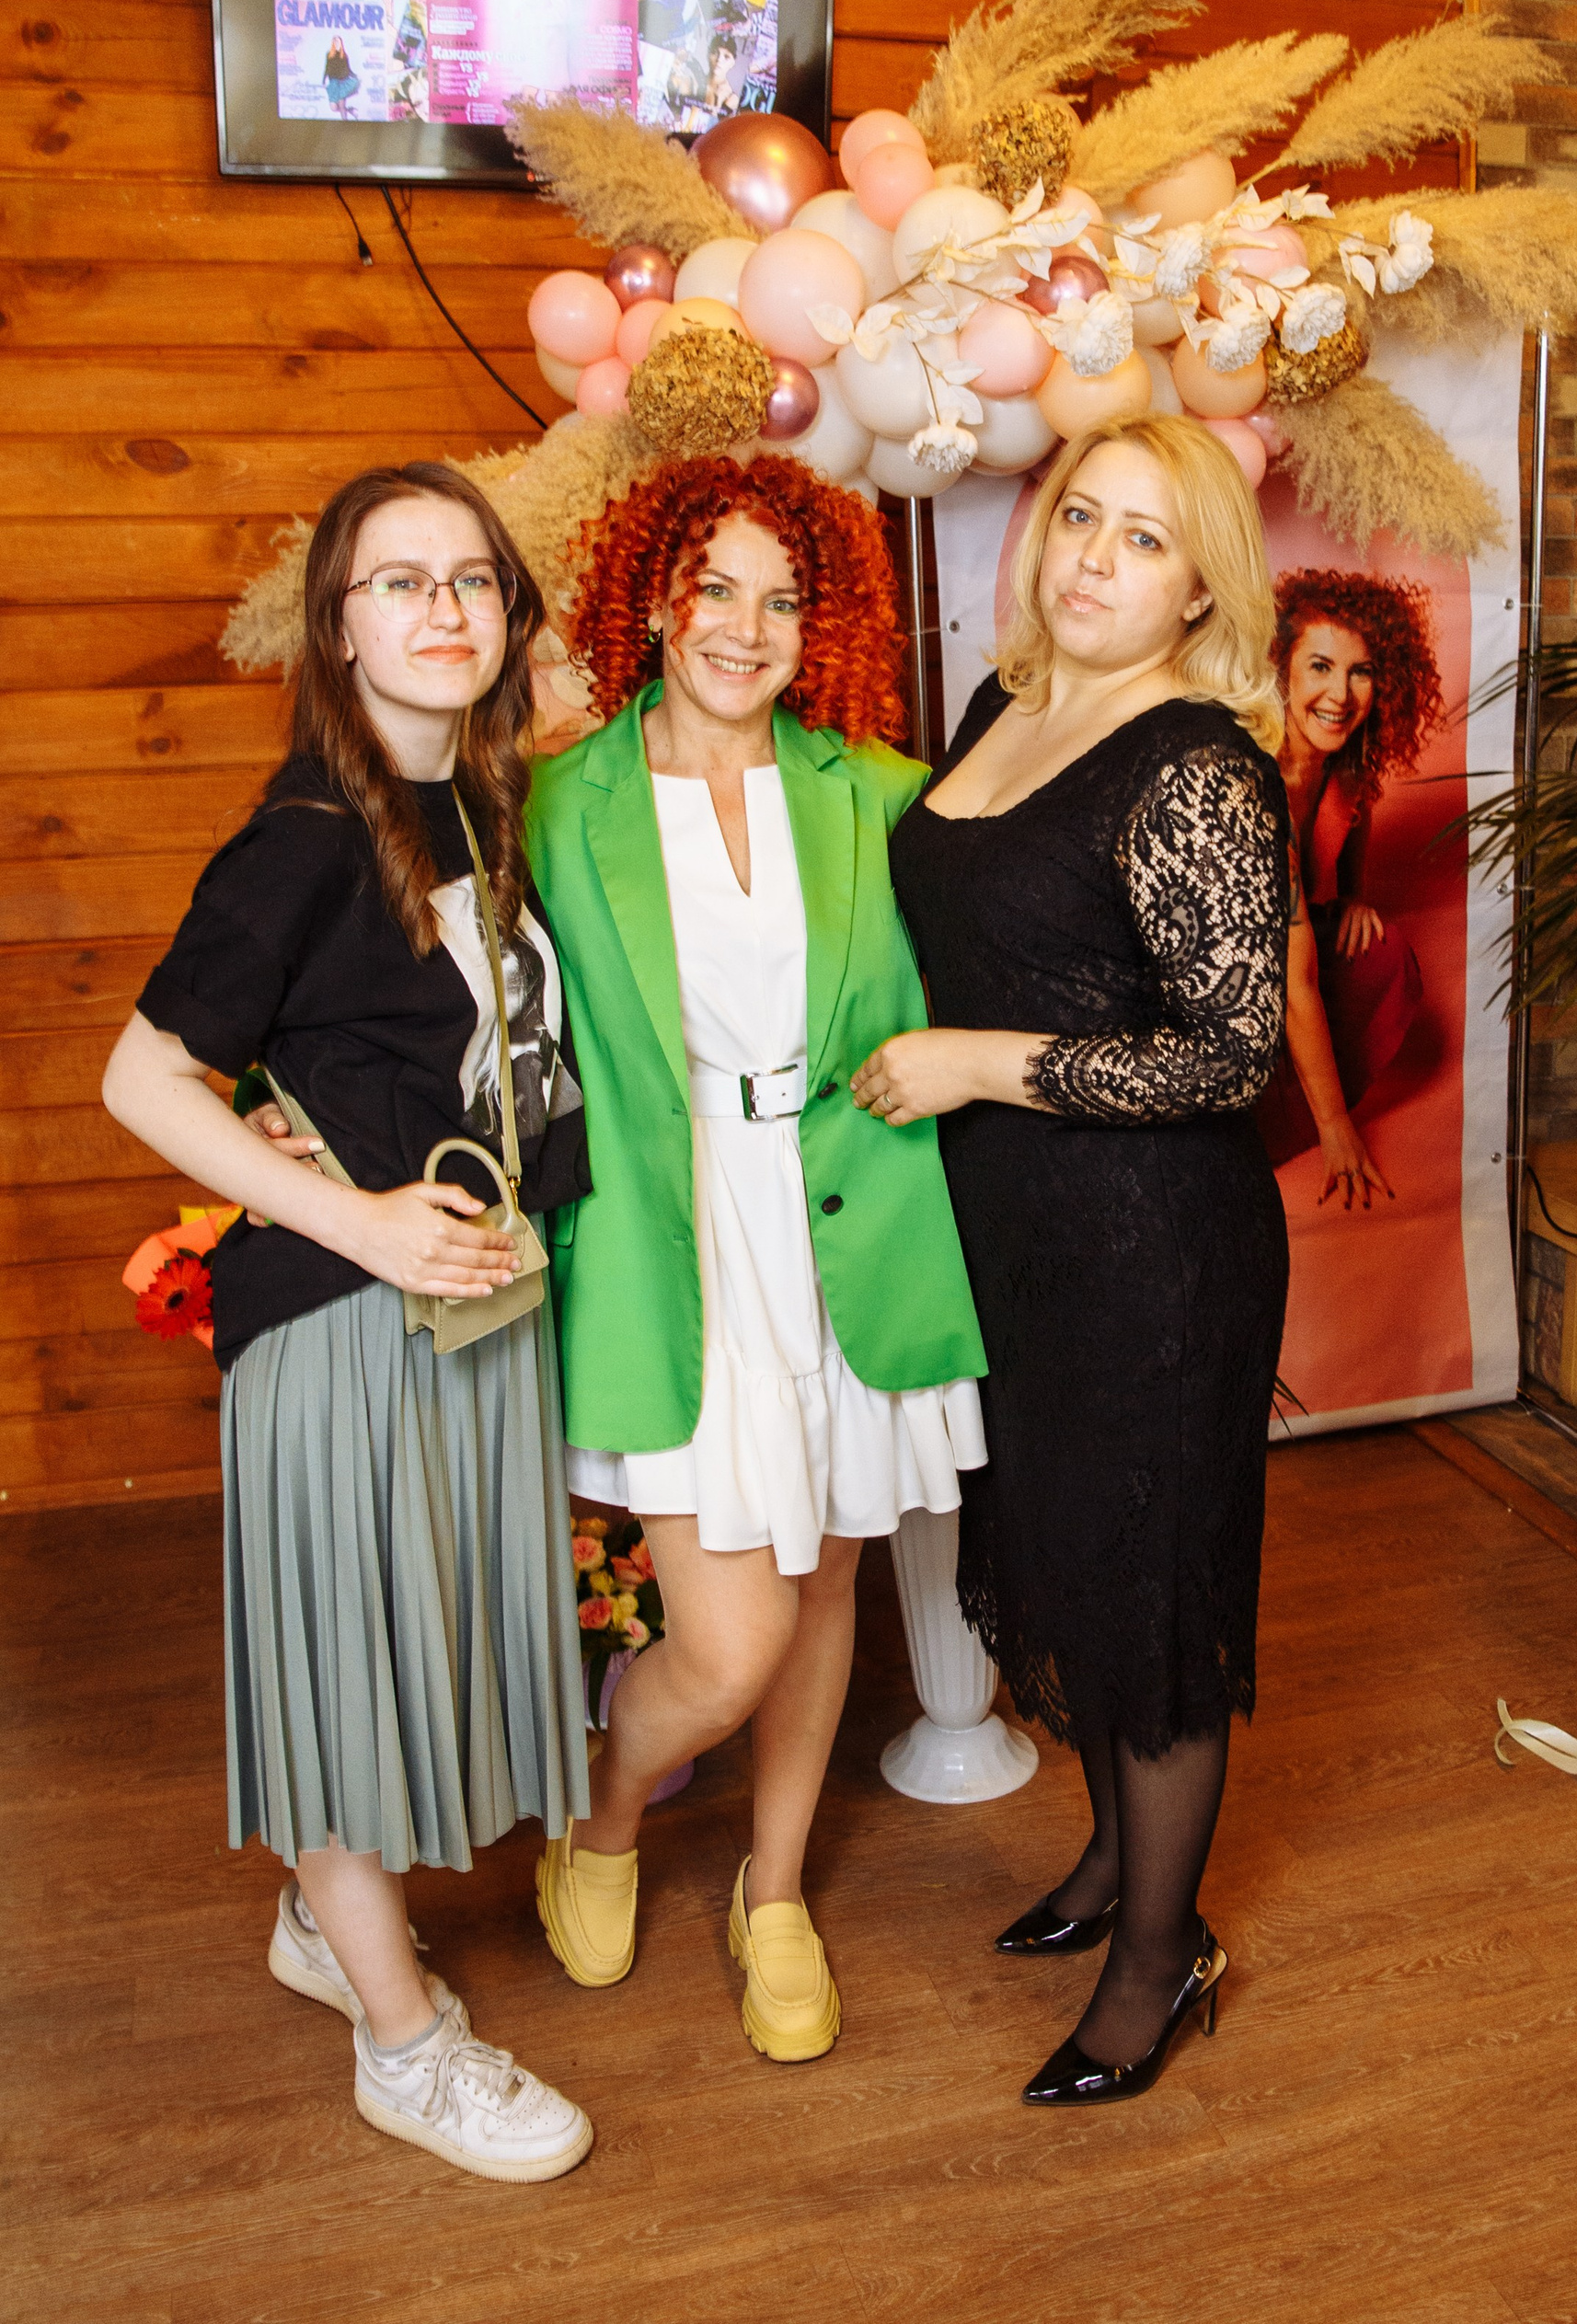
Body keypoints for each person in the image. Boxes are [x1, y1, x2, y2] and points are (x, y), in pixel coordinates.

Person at [100, 465, 594, 2185]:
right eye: (399, 581)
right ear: (338, 624)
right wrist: (357, 1218)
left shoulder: (470, 796)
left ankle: (327, 1921)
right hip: (340, 1318)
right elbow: (142, 1075)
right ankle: (404, 2044)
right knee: (341, 1666)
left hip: (464, 1307)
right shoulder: (310, 830)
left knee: (405, 1646)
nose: (442, 608)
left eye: (472, 578)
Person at [526, 454, 986, 2064]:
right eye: (712, 585)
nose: (744, 624)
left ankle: (773, 1888)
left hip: (852, 1211)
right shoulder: (557, 803)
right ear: (653, 597)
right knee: (728, 1639)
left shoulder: (881, 792)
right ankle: (603, 1815)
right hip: (670, 1234)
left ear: (824, 621)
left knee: (827, 1575)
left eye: (783, 597)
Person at [869, 415, 1290, 2107]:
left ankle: (1158, 1958)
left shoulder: (1197, 766)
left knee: (1149, 1593)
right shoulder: (1009, 700)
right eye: (1080, 518)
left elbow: (1232, 1053)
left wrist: (977, 1061)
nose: (1095, 559)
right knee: (1063, 1558)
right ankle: (1118, 1860)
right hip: (1011, 1235)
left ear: (1201, 589)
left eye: (1144, 538)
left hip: (1150, 1252)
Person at [1257, 569, 1445, 1203]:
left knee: (1383, 955)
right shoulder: (1256, 784)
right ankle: (1291, 1120)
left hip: (1288, 954)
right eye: (1320, 666)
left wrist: (1355, 893)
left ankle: (1302, 1098)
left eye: (1360, 671)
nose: (1340, 693)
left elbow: (1354, 808)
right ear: (1281, 669)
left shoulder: (1343, 753)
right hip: (1224, 983)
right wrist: (1338, 1129)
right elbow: (1294, 982)